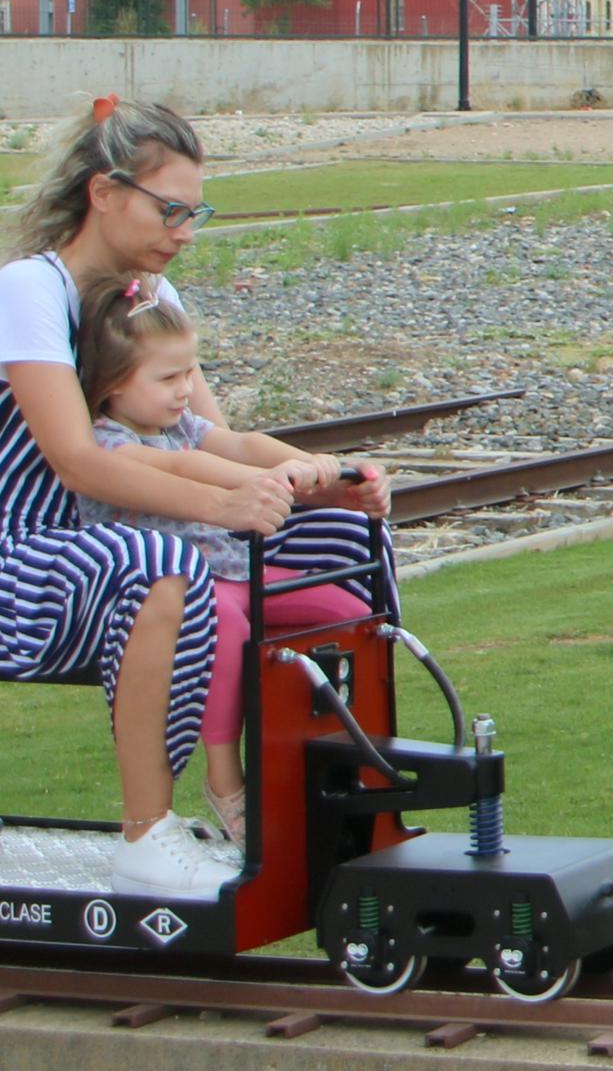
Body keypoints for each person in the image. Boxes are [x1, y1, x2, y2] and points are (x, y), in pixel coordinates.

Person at [0, 97, 390, 903]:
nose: (185, 229)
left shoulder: (147, 295)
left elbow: (208, 439)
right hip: (17, 552)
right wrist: (224, 507)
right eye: (170, 209)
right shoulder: (29, 291)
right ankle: (147, 831)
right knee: (160, 562)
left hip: (125, 532)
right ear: (105, 194)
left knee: (334, 544)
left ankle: (321, 790)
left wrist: (322, 477)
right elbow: (76, 460)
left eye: (195, 211)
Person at [75, 276, 388, 856]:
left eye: (189, 374)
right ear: (114, 385)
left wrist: (313, 464)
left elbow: (239, 444)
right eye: (168, 378)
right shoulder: (106, 444)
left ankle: (344, 754)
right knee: (229, 628)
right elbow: (191, 469)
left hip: (238, 572)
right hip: (180, 590)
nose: (184, 389)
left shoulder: (180, 425)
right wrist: (276, 483)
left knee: (347, 611)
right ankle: (225, 777)